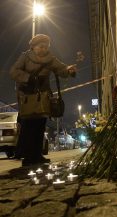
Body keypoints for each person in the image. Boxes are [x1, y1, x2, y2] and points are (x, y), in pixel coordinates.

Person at [10, 34, 77, 166]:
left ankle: (37, 155)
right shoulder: (25, 56)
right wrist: (28, 78)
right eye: (41, 46)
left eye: (46, 47)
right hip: (28, 97)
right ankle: (28, 157)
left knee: (40, 125)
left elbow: (61, 69)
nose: (44, 49)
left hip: (43, 97)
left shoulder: (50, 58)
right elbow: (14, 71)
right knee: (29, 126)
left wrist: (69, 71)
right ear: (33, 47)